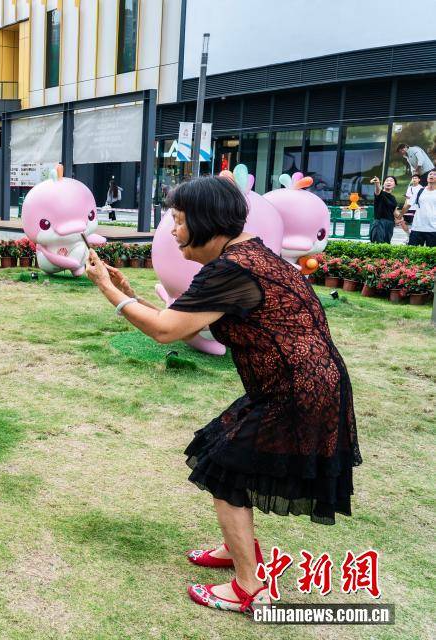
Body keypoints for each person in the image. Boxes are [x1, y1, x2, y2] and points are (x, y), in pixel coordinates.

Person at [84, 176, 360, 615]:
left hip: (296, 391)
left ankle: (249, 588)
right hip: (300, 383)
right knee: (221, 450)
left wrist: (104, 289)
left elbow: (164, 331)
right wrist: (127, 293)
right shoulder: (252, 256)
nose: (173, 232)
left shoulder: (232, 269)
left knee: (225, 469)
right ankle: (239, 549)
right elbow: (184, 322)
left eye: (177, 221)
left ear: (206, 221)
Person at [398, 168, 436, 247]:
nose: (432, 176)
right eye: (430, 174)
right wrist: (400, 216)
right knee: (412, 253)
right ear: (427, 177)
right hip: (417, 228)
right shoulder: (420, 191)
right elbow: (408, 204)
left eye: (434, 174)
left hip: (433, 229)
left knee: (432, 256)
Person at [369, 175, 398, 244]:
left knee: (386, 245)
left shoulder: (393, 198)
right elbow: (378, 190)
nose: (389, 182)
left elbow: (394, 211)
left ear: (394, 185)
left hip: (390, 223)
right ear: (383, 184)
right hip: (379, 223)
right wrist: (377, 183)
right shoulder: (380, 193)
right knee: (377, 245)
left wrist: (401, 218)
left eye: (391, 181)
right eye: (387, 181)